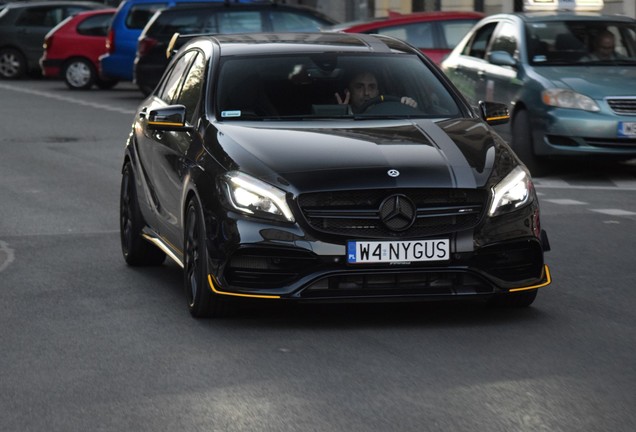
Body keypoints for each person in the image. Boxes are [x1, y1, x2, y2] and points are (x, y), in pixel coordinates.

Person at [334, 71, 418, 113]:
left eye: (371, 87)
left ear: (377, 92)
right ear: (348, 92)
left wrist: (408, 107)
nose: (366, 93)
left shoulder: (389, 113)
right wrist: (341, 114)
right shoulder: (333, 115)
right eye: (359, 87)